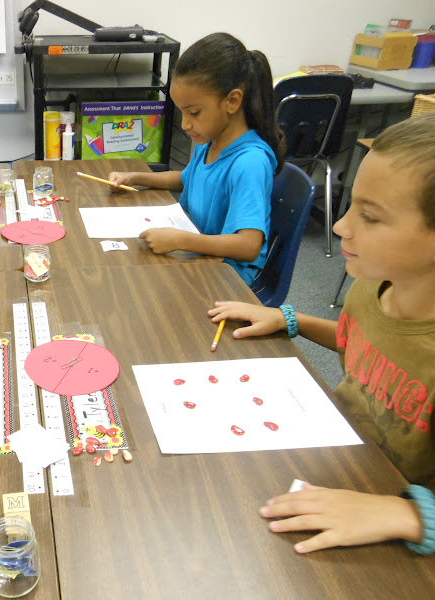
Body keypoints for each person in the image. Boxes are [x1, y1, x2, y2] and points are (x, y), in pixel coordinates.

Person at [208, 112, 435, 555]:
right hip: (344, 457)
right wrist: (291, 320)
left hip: (395, 521)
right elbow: (364, 342)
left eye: (370, 217)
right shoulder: (371, 287)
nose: (339, 227)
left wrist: (408, 515)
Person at [108, 32, 284, 285]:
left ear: (232, 101)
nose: (185, 124)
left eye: (194, 112)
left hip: (227, 276)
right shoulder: (211, 140)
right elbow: (187, 178)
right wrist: (135, 177)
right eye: (182, 113)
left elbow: (249, 246)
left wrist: (181, 240)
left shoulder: (250, 163)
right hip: (198, 254)